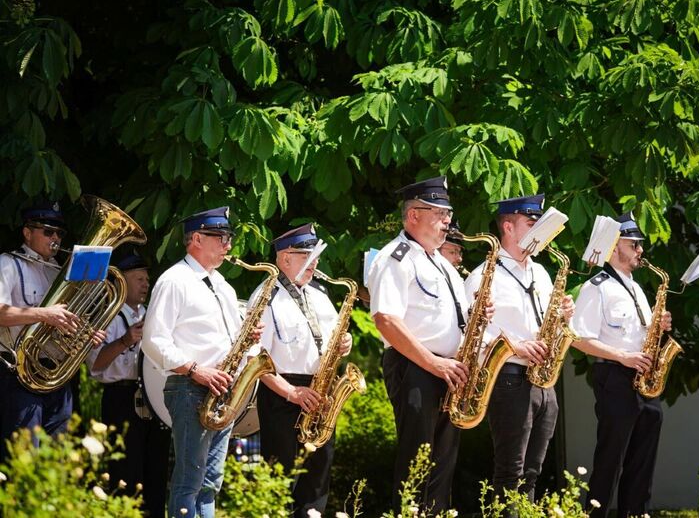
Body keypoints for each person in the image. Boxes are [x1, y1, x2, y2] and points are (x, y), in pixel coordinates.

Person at [367, 176, 473, 514]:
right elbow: (386, 319)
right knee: (417, 460)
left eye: (448, 214)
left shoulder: (441, 264)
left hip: (446, 369)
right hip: (416, 367)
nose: (448, 222)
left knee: (442, 464)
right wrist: (433, 363)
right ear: (413, 215)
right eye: (440, 214)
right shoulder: (396, 257)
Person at [464, 195, 574, 514]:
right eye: (530, 223)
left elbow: (548, 324)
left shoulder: (541, 273)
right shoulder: (483, 275)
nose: (539, 231)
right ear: (508, 227)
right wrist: (516, 346)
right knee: (510, 472)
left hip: (543, 380)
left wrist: (564, 316)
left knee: (532, 472)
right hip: (508, 377)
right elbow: (470, 335)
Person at [142, 206, 250, 518]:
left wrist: (248, 337)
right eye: (222, 238)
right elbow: (153, 340)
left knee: (211, 482)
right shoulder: (174, 280)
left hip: (222, 390)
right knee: (190, 478)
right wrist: (195, 369)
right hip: (191, 387)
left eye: (229, 238)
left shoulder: (223, 285)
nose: (229, 245)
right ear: (197, 239)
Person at [571, 212, 673, 518]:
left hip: (643, 379)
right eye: (634, 244)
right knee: (610, 460)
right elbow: (578, 339)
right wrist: (622, 356)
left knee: (642, 461)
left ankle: (636, 513)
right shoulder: (596, 287)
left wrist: (659, 326)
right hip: (615, 377)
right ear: (615, 246)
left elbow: (639, 335)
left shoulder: (637, 288)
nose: (641, 250)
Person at [249, 223, 352, 518]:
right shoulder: (266, 295)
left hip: (320, 390)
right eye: (307, 256)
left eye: (316, 256)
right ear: (285, 258)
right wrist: (291, 392)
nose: (315, 263)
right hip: (283, 392)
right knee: (280, 475)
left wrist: (346, 342)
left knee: (318, 475)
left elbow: (335, 338)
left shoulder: (319, 294)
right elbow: (256, 359)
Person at [0, 200, 104, 461]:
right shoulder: (8, 263)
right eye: (48, 232)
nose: (55, 238)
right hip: (17, 373)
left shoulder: (59, 271)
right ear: (27, 233)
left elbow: (65, 321)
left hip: (55, 375)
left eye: (59, 233)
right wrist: (43, 314)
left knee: (57, 455)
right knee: (24, 456)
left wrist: (84, 334)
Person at [85, 249, 170, 517]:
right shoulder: (105, 317)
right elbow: (95, 366)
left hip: (153, 399)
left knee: (156, 472)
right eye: (139, 279)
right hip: (121, 398)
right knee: (125, 473)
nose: (146, 284)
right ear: (121, 282)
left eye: (147, 280)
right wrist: (125, 340)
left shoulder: (152, 315)